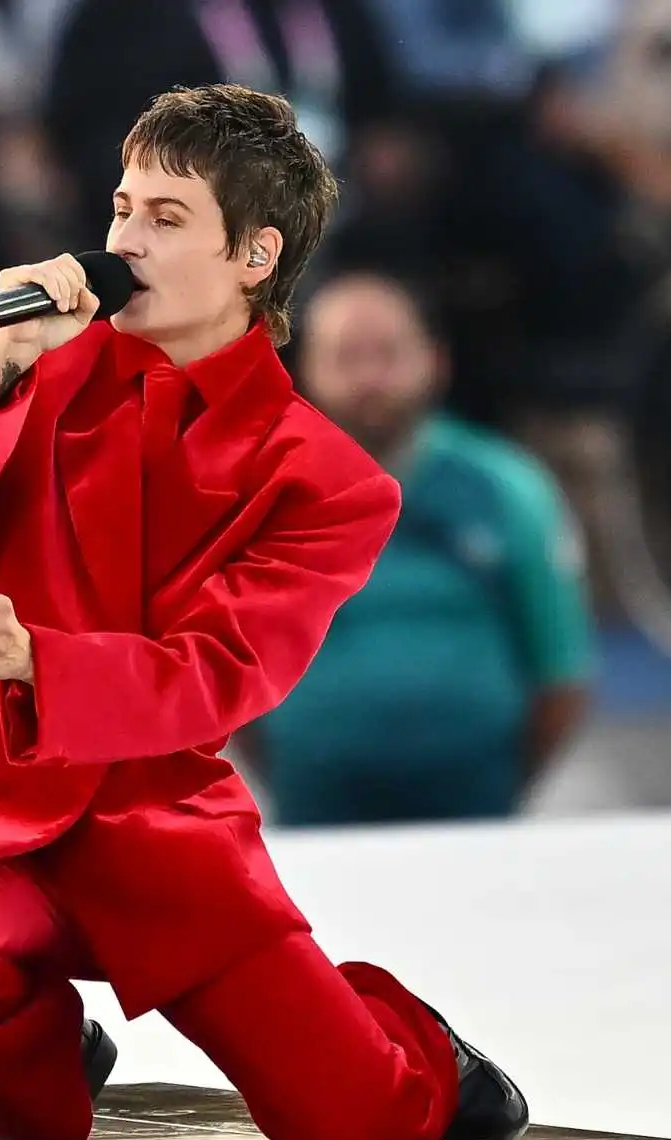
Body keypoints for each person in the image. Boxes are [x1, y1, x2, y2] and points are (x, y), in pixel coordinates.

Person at [0, 83, 528, 1140]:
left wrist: (42, 660)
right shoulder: (25, 370)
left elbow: (223, 674)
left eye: (164, 217)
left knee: (367, 1136)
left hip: (160, 827)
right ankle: (37, 1088)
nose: (123, 241)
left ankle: (419, 1049)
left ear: (254, 255)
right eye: (120, 208)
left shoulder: (329, 482)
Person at [242, 270, 594, 826]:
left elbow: (561, 670)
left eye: (388, 354)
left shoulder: (509, 488)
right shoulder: (255, 501)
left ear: (436, 361)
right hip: (316, 816)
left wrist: (507, 783)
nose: (369, 378)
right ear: (304, 369)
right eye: (346, 356)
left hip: (477, 812)